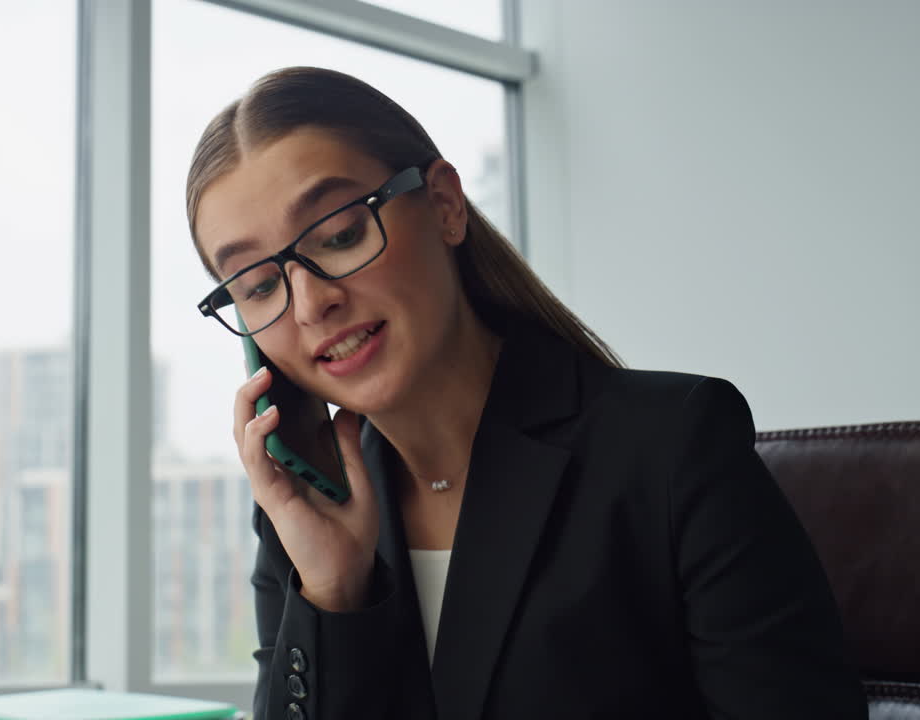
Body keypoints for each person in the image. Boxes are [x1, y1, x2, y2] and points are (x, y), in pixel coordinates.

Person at [185, 66, 866, 720]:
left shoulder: (671, 448)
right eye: (259, 286)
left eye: (339, 234)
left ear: (445, 206)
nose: (310, 305)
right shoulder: (305, 519)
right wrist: (332, 591)